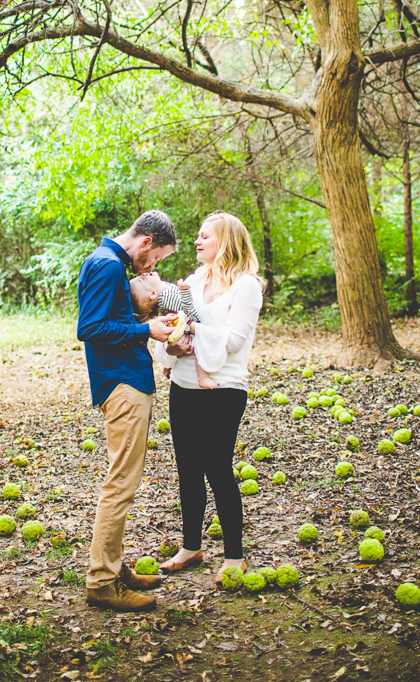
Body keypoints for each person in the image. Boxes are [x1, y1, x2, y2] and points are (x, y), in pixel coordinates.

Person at [76, 210, 178, 612]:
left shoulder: (111, 264)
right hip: (121, 384)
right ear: (147, 244)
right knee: (120, 484)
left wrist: (149, 318)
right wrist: (146, 330)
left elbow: (112, 321)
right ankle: (101, 582)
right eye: (157, 260)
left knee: (124, 482)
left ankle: (115, 569)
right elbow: (91, 328)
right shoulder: (105, 265)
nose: (153, 267)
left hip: (127, 378)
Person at [157, 212, 264, 586]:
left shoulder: (246, 286)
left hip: (224, 387)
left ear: (227, 242)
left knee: (217, 468)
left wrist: (191, 332)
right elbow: (175, 320)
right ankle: (191, 547)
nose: (197, 242)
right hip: (184, 384)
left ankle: (234, 557)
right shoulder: (193, 281)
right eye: (197, 236)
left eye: (205, 237)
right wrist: (176, 337)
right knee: (187, 468)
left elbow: (234, 341)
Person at [129, 274, 216, 387]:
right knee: (199, 347)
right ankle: (202, 377)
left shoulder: (163, 291)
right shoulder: (166, 297)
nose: (144, 274)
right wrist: (185, 291)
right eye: (143, 279)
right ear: (153, 294)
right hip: (190, 322)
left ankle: (169, 366)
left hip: (183, 325)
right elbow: (188, 308)